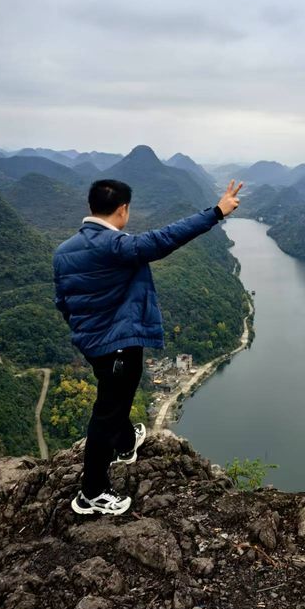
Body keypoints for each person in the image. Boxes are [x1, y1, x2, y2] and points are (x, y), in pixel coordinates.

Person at [53, 177, 243, 516]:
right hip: (119, 345)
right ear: (123, 209)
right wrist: (216, 211)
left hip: (91, 343)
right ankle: (91, 492)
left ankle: (126, 444)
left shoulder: (63, 251)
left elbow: (63, 302)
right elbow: (167, 238)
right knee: (107, 411)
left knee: (118, 394)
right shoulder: (118, 246)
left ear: (90, 206)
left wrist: (85, 332)